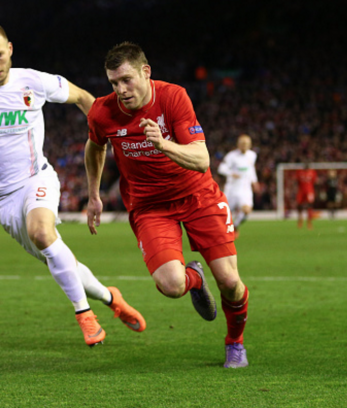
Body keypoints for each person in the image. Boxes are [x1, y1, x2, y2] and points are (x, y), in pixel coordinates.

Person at [0, 22, 145, 347]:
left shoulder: (33, 81)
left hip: (37, 178)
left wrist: (111, 134)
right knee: (58, 256)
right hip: (2, 200)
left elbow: (85, 98)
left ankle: (85, 316)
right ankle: (110, 297)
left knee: (43, 233)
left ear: (10, 50)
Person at [85, 42, 249, 368]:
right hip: (149, 206)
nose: (121, 90)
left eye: (127, 80)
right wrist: (93, 195)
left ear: (146, 72)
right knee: (173, 285)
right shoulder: (102, 112)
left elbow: (201, 159)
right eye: (114, 83)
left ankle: (235, 342)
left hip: (197, 196)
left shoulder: (173, 97)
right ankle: (195, 280)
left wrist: (162, 144)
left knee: (230, 283)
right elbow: (94, 147)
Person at [217, 134, 260, 238]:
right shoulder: (231, 156)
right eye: (242, 143)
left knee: (247, 211)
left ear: (250, 145)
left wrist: (255, 181)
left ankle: (235, 226)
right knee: (225, 215)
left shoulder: (252, 155)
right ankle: (221, 234)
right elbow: (221, 168)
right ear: (238, 144)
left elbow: (251, 169)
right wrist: (231, 173)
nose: (244, 145)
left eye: (246, 143)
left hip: (245, 189)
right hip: (232, 190)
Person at [295, 163, 317, 229]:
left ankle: (309, 222)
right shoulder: (299, 172)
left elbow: (313, 181)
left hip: (309, 191)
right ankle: (300, 219)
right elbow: (298, 181)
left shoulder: (312, 172)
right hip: (301, 191)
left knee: (310, 206)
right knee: (299, 206)